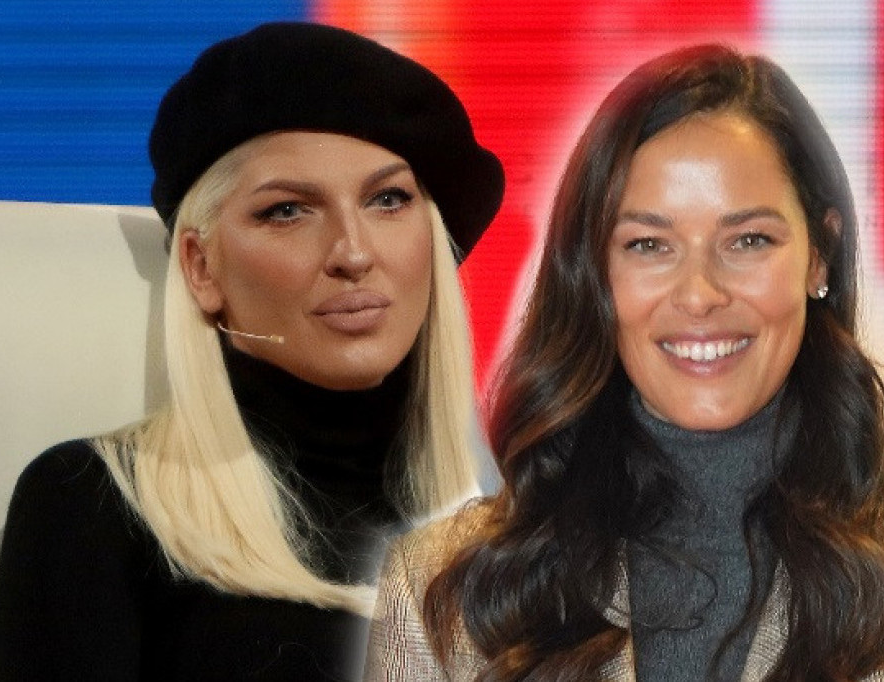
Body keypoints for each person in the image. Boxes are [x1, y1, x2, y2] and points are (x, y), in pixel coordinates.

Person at [0, 21, 504, 681]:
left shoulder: (529, 538)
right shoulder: (94, 508)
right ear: (201, 268)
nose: (353, 252)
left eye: (387, 199)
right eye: (287, 211)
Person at [366, 44, 884, 681]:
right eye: (649, 245)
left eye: (749, 240)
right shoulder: (440, 596)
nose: (699, 294)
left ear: (819, 255)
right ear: (593, 274)